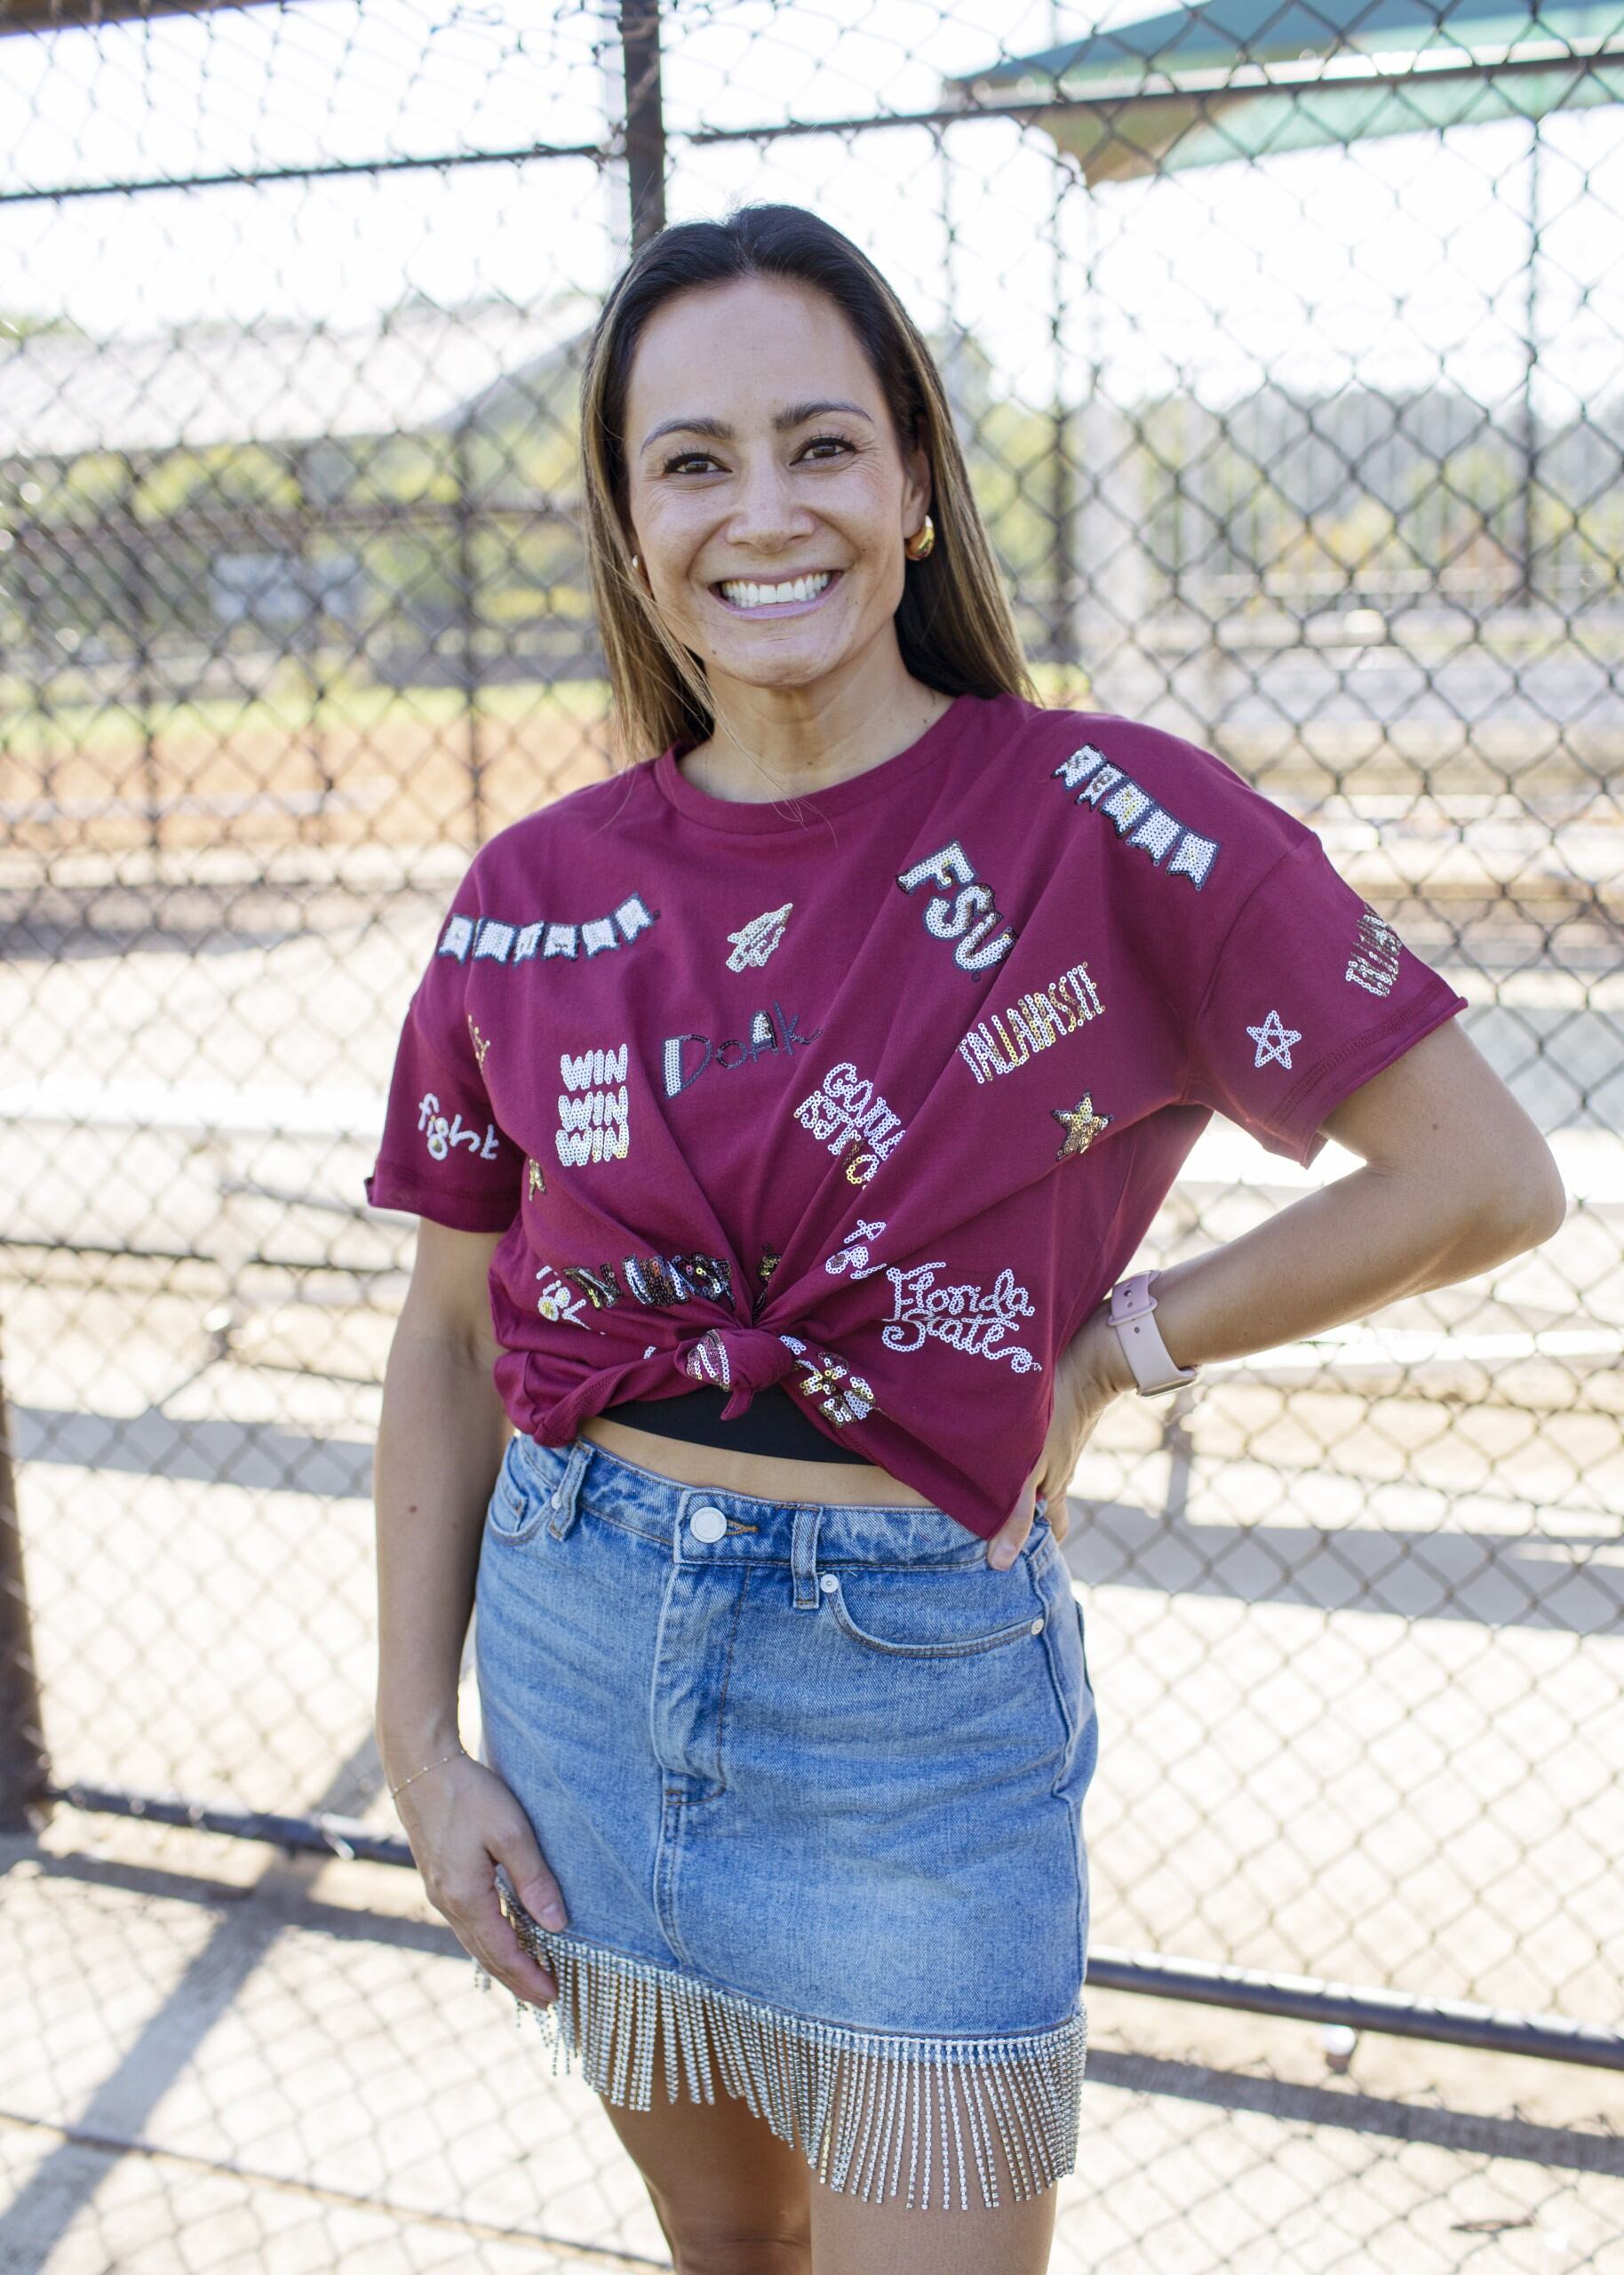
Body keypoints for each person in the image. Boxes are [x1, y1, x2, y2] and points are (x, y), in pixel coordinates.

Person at [364, 204, 1564, 2275]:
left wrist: (1116, 1348)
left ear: (915, 485)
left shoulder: (1105, 820)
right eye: (692, 460)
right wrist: (415, 1742)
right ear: (630, 518)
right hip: (572, 1639)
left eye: (822, 445)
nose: (764, 509)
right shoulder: (534, 891)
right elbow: (456, 1335)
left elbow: (1476, 1173)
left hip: (907, 1692)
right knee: (733, 2250)